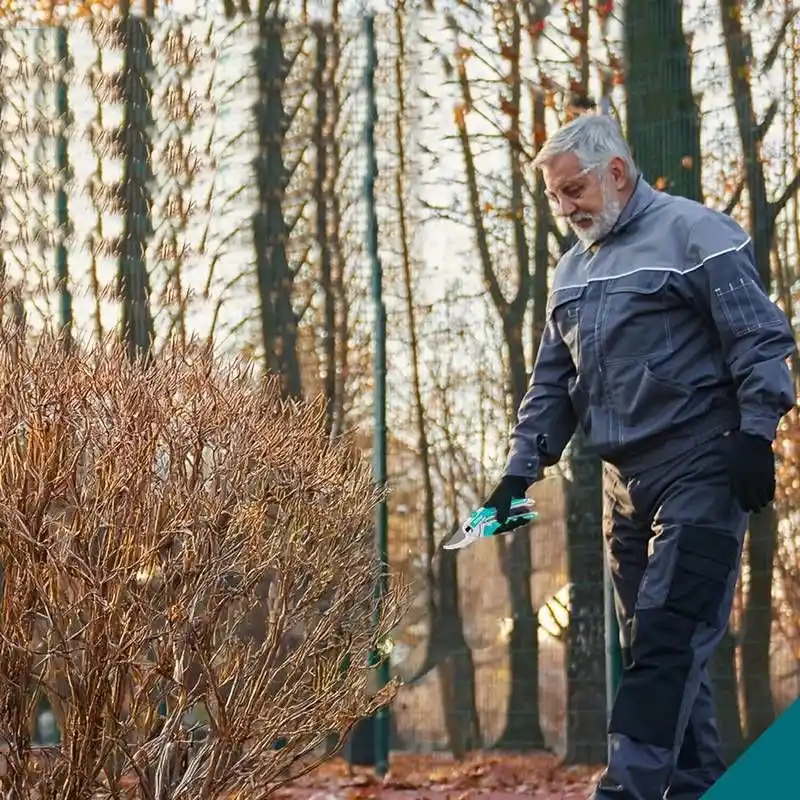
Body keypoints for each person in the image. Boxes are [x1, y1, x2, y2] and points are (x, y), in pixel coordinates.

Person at [482, 113, 796, 800]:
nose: (566, 209)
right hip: (625, 485)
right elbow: (552, 386)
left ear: (616, 173)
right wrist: (516, 472)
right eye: (556, 198)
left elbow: (761, 339)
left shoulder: (697, 235)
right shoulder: (570, 273)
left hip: (704, 465)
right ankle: (694, 786)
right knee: (660, 650)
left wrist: (756, 432)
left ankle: (624, 792)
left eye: (574, 191)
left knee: (665, 636)